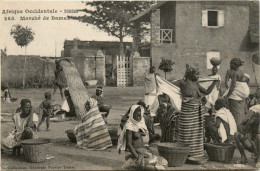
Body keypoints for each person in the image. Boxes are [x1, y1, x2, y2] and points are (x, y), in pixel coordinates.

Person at [178, 66, 218, 162]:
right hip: (187, 113)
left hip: (196, 113)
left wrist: (214, 82)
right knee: (187, 133)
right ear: (190, 74)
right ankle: (186, 154)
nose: (198, 75)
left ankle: (195, 153)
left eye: (198, 73)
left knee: (196, 133)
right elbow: (169, 85)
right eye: (196, 73)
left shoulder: (196, 83)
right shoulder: (182, 83)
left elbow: (207, 91)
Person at [117, 105, 168, 170]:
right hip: (134, 153)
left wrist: (146, 149)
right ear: (132, 114)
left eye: (140, 115)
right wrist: (138, 157)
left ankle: (133, 165)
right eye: (136, 115)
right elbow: (129, 145)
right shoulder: (129, 127)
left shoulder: (139, 125)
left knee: (164, 162)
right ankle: (131, 164)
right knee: (154, 167)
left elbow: (142, 137)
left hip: (142, 151)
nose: (138, 118)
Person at [224, 58, 248, 126]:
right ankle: (241, 128)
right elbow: (243, 82)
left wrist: (227, 95)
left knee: (235, 116)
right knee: (240, 114)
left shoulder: (235, 73)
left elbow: (233, 86)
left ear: (235, 65)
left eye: (231, 64)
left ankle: (236, 131)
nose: (230, 65)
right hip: (241, 97)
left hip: (235, 97)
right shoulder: (241, 72)